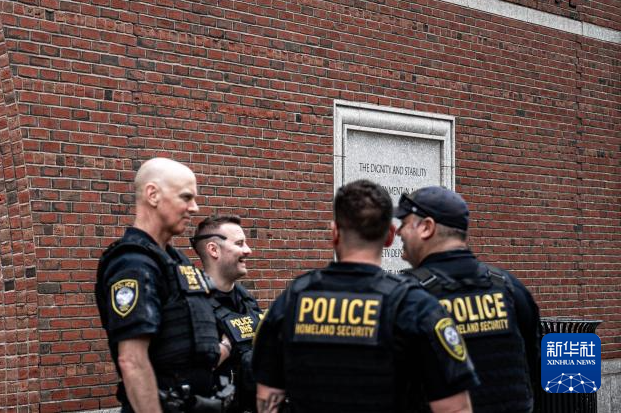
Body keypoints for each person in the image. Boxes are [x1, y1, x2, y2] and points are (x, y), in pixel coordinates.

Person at [252, 179, 478, 413]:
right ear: (390, 236)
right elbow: (454, 408)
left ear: (334, 233)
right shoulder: (415, 305)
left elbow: (267, 400)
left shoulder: (290, 301)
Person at [95, 158, 234, 412]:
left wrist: (225, 346)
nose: (194, 208)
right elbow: (132, 361)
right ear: (153, 195)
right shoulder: (133, 264)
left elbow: (190, 345)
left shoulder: (176, 261)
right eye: (186, 197)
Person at [396, 186, 541, 412]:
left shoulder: (403, 297)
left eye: (404, 223)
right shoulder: (511, 288)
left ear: (426, 227)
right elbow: (533, 370)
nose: (398, 232)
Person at [192, 214, 260, 413]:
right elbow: (186, 372)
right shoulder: (192, 304)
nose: (248, 250)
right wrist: (227, 346)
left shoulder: (246, 300)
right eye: (239, 243)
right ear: (213, 250)